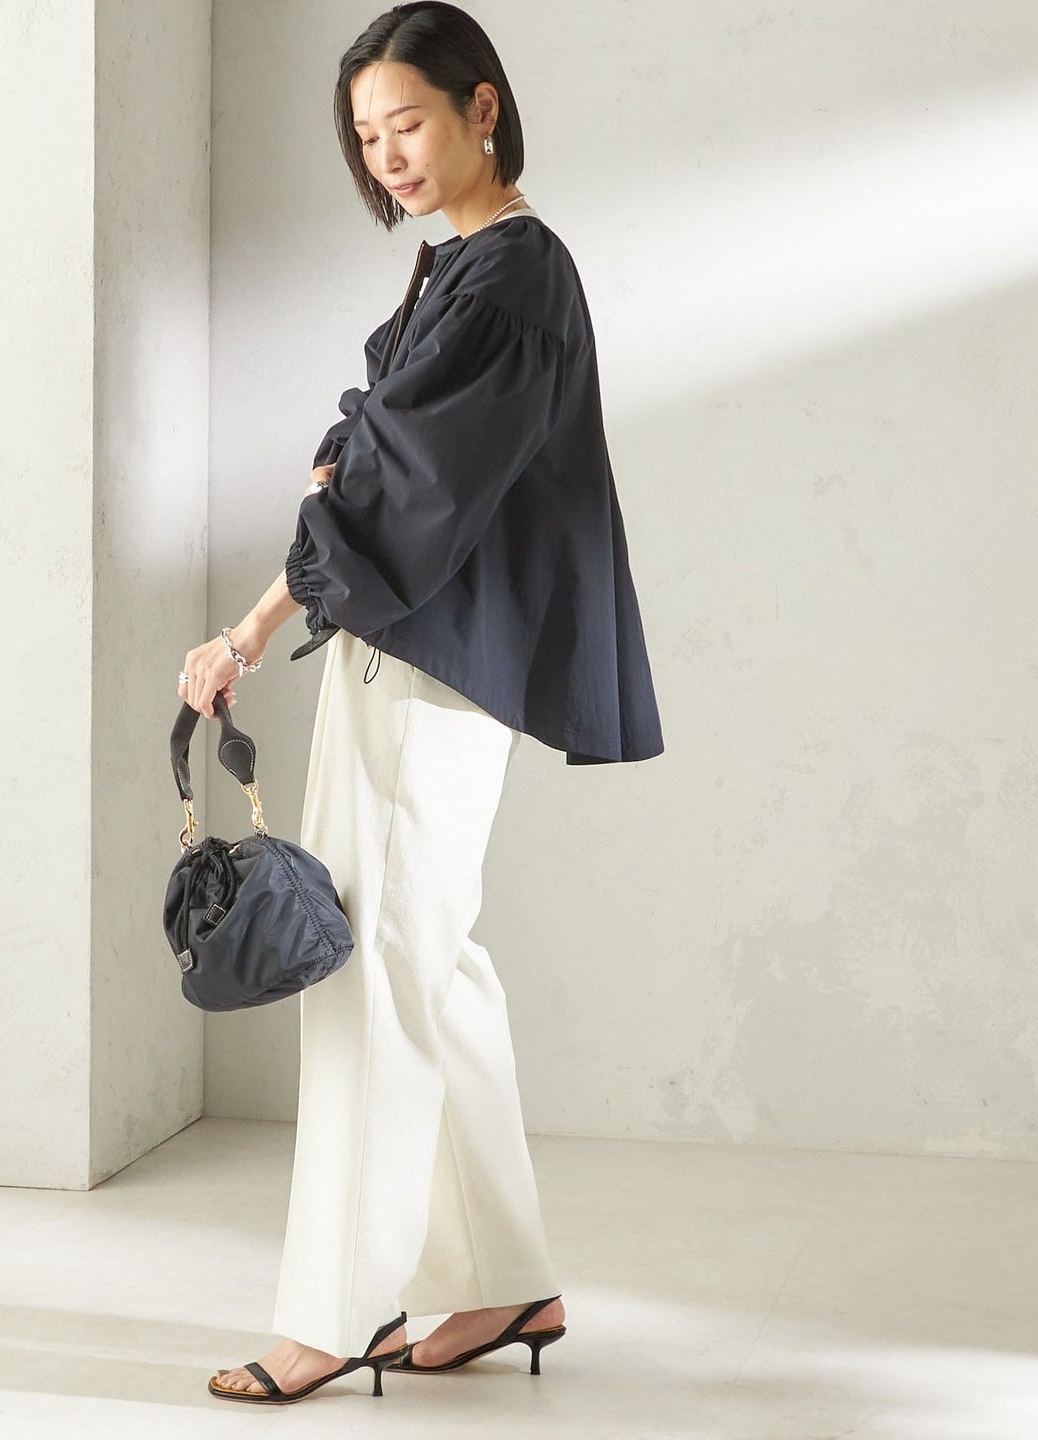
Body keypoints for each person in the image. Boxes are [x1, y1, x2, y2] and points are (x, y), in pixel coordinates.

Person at [177, 0, 663, 1408]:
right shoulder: (470, 267)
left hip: (429, 665)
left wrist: (286, 574)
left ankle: (333, 1314)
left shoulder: (509, 275)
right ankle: (502, 1275)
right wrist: (260, 615)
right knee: (428, 963)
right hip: (426, 657)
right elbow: (372, 472)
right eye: (367, 134)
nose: (388, 154)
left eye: (410, 122)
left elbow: (395, 485)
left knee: (373, 974)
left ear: (481, 108)